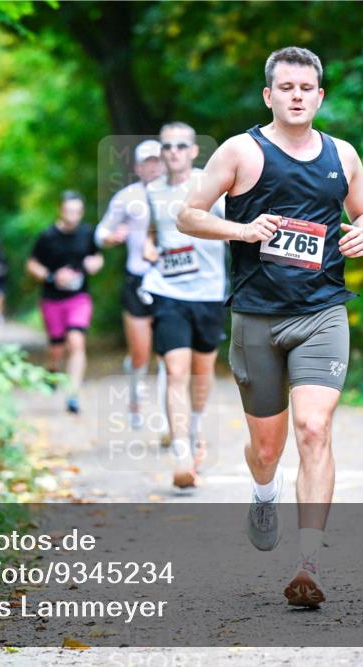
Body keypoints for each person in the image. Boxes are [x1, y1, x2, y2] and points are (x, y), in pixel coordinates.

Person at [177, 46, 363, 607]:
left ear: (320, 95)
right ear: (269, 95)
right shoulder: (242, 151)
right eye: (285, 87)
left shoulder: (343, 154)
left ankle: (308, 563)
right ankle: (263, 491)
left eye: (306, 88)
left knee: (314, 429)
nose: (296, 96)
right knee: (266, 449)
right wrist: (242, 232)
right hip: (257, 318)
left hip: (322, 312)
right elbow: (187, 214)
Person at [141, 122, 227, 489]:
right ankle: (180, 453)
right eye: (167, 146)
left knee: (201, 374)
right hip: (169, 291)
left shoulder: (212, 188)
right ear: (161, 153)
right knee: (176, 371)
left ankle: (194, 430)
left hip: (209, 292)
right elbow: (151, 232)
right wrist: (150, 248)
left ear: (193, 152)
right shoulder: (151, 191)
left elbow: (237, 228)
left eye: (180, 146)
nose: (173, 151)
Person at [95, 140, 168, 430]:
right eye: (147, 162)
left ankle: (165, 416)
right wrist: (110, 238)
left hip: (169, 280)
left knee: (168, 351)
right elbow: (101, 232)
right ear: (138, 167)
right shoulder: (126, 198)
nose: (153, 166)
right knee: (141, 351)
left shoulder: (178, 195)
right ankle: (135, 397)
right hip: (137, 278)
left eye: (157, 160)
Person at [26, 191, 104, 414]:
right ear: (60, 210)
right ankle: (52, 368)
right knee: (57, 348)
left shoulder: (88, 233)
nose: (73, 216)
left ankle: (73, 394)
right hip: (52, 299)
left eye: (77, 212)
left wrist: (93, 264)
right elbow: (32, 265)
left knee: (76, 341)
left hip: (79, 298)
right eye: (69, 211)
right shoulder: (47, 236)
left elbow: (98, 257)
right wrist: (51, 277)